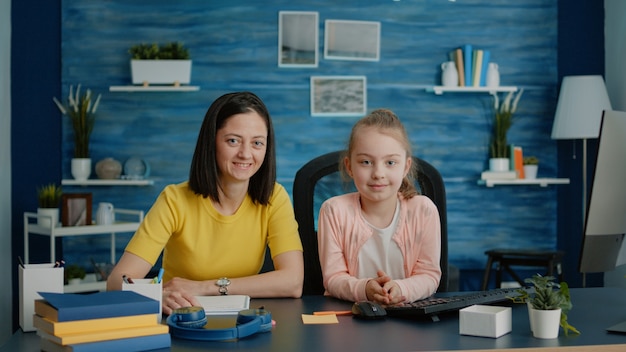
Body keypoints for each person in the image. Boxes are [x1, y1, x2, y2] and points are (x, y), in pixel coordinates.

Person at [107, 92, 304, 314]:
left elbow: (293, 281)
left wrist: (206, 287)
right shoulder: (174, 200)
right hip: (182, 321)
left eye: (257, 143)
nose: (246, 154)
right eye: (233, 140)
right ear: (212, 142)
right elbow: (116, 283)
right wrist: (157, 298)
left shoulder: (274, 197)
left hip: (241, 322)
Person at [317, 108, 441, 306]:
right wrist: (365, 289)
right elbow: (333, 278)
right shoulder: (333, 211)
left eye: (390, 162)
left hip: (408, 320)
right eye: (366, 162)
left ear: (406, 167)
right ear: (349, 166)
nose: (378, 173)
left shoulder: (424, 210)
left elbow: (429, 276)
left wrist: (401, 289)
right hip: (350, 320)